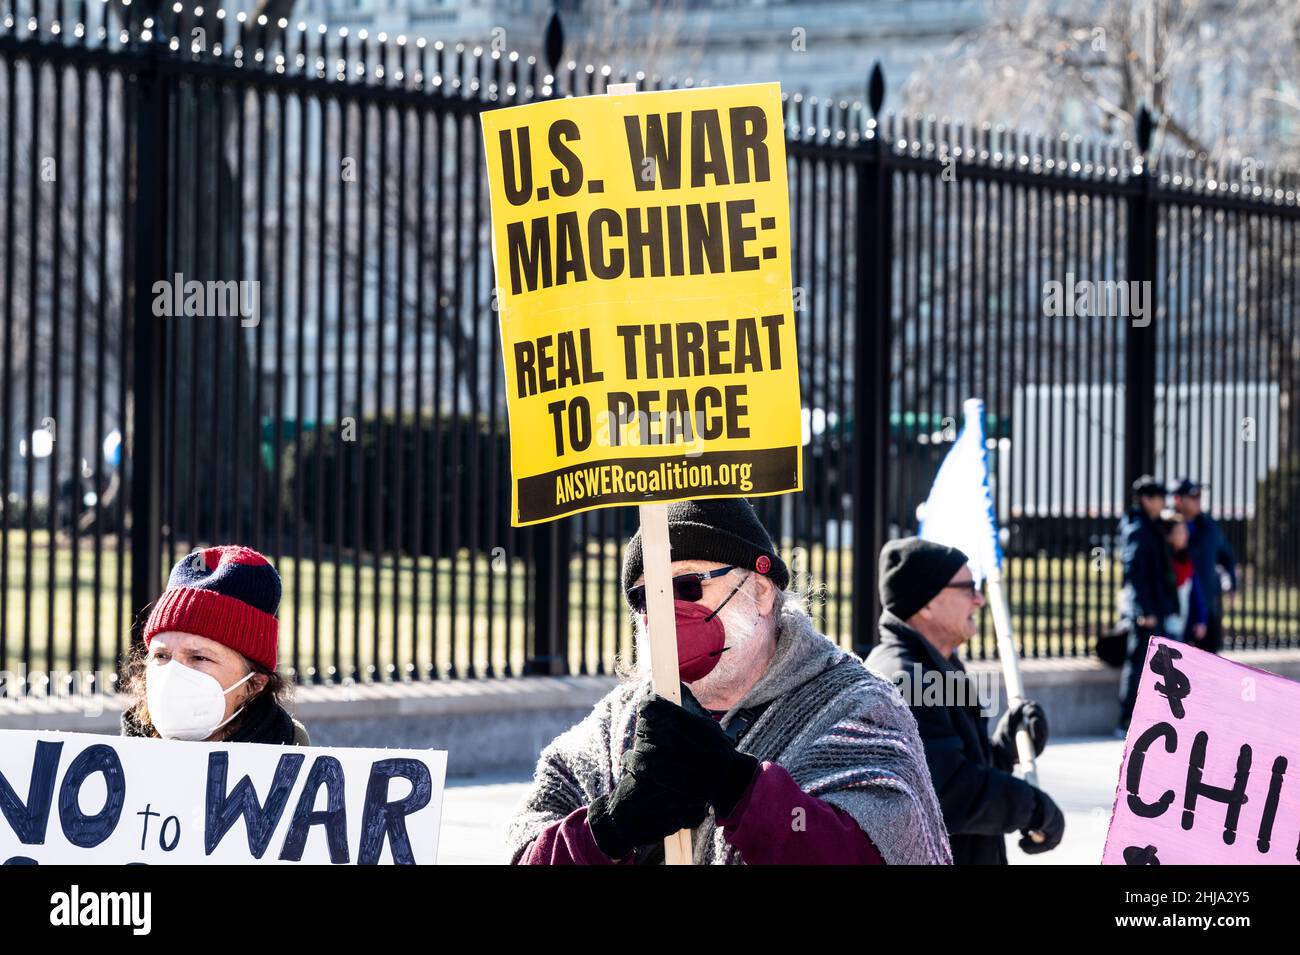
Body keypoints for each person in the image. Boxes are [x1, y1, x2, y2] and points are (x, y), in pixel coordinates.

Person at [507, 498, 951, 865]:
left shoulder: (856, 706)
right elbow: (529, 854)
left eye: (687, 587)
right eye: (645, 597)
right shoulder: (611, 728)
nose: (662, 612)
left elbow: (872, 854)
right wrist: (608, 830)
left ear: (760, 592)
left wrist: (739, 788)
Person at [865, 538, 1064, 865]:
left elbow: (956, 767)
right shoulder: (904, 677)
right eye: (967, 588)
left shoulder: (934, 663)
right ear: (927, 603)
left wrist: (1004, 748)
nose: (979, 599)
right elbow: (949, 793)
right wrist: (1033, 808)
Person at [120, 545, 310, 746]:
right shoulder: (122, 756)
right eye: (161, 656)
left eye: (199, 657)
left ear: (254, 684)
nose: (172, 673)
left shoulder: (289, 751)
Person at [1117, 475, 1179, 733]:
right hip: (1146, 610)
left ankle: (1147, 716)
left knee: (1155, 663)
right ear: (1145, 499)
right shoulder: (1138, 528)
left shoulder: (1149, 525)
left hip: (1156, 606)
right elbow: (1133, 571)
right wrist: (1143, 610)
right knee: (1138, 663)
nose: (1163, 502)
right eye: (1158, 497)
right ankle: (1126, 719)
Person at [1172, 478, 1236, 654]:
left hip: (1207, 607)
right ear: (1178, 499)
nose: (1198, 500)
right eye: (1193, 496)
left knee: (1208, 664)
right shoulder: (1167, 527)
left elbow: (1226, 557)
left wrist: (1232, 584)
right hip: (1178, 610)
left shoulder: (1210, 527)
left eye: (1199, 496)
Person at [1160, 512, 1208, 645]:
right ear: (1169, 536)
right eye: (1180, 532)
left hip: (1181, 627)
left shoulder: (1187, 563)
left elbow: (1196, 594)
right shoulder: (1162, 565)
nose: (1185, 535)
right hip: (1164, 629)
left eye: (1185, 531)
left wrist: (1201, 620)